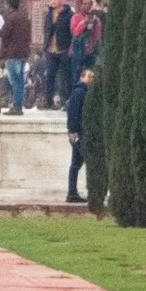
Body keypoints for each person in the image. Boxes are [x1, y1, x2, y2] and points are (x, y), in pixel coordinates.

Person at [63, 58, 94, 203]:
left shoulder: (82, 92)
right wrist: (72, 131)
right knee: (77, 163)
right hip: (81, 134)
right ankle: (72, 192)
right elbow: (73, 114)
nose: (91, 79)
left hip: (82, 133)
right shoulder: (79, 93)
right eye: (89, 77)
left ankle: (72, 192)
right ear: (82, 77)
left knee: (77, 164)